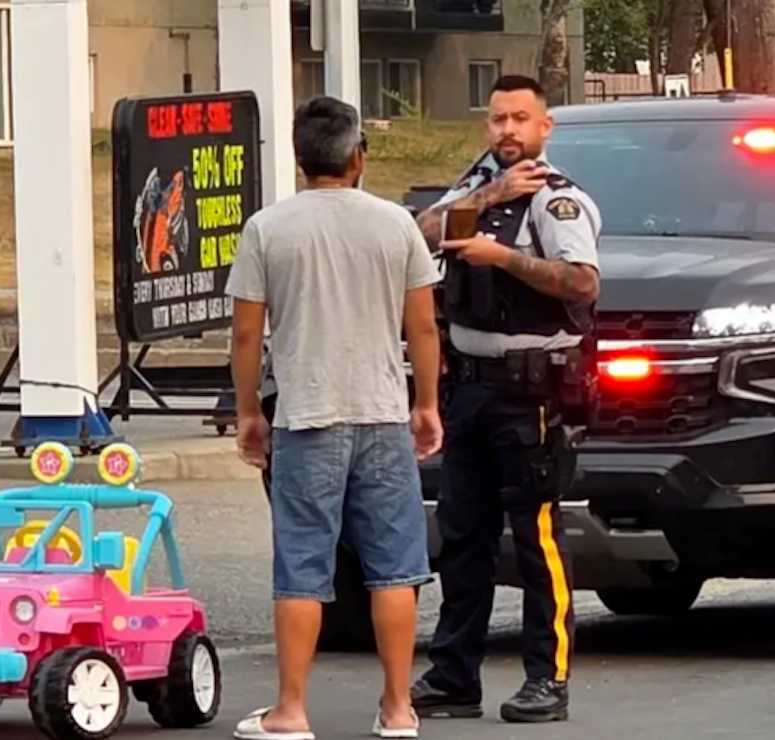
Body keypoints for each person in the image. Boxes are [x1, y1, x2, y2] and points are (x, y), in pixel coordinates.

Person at [227, 95, 444, 740]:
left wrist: (246, 412)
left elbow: (245, 335)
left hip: (306, 414)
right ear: (358, 156)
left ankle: (291, 709)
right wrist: (425, 403)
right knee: (396, 566)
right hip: (381, 413)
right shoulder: (396, 225)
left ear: (301, 161)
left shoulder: (269, 228)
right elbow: (424, 324)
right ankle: (399, 707)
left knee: (301, 565)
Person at [410, 74, 602, 724]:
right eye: (497, 120)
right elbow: (420, 234)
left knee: (534, 539)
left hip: (532, 394)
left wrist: (503, 258)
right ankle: (452, 678)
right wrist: (487, 194)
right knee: (461, 537)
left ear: (545, 127)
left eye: (521, 119)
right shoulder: (475, 189)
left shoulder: (557, 202)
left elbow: (581, 283)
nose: (508, 131)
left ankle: (547, 679)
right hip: (468, 389)